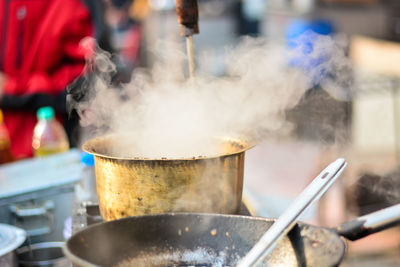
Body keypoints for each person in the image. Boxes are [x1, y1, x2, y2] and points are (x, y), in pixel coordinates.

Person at [0, 0, 97, 159]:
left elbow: (84, 79)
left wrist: (13, 88)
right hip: (6, 153)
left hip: (49, 149)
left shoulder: (68, 5)